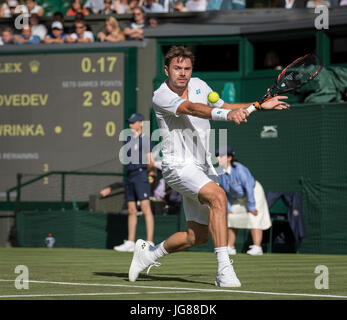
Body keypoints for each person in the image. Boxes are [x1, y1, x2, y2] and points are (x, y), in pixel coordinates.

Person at [128, 46, 289, 287]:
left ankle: (149, 254)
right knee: (218, 196)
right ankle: (224, 270)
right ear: (166, 70)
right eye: (177, 68)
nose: (182, 73)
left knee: (197, 236)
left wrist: (257, 105)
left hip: (202, 168)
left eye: (187, 68)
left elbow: (225, 106)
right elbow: (191, 109)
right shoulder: (160, 95)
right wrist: (227, 117)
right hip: (178, 166)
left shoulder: (200, 85)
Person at [110, 112, 155, 252]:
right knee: (131, 210)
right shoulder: (128, 139)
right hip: (129, 176)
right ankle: (130, 242)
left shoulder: (146, 140)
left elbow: (150, 161)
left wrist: (145, 172)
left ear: (141, 123)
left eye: (133, 122)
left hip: (141, 175)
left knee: (146, 208)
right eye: (130, 122)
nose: (130, 125)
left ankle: (149, 242)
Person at [216, 146, 272, 256]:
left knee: (253, 216)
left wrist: (252, 207)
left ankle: (257, 247)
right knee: (231, 217)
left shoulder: (240, 169)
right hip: (239, 197)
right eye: (217, 156)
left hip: (254, 192)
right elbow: (224, 192)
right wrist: (227, 208)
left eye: (221, 156)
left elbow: (248, 187)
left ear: (229, 158)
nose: (218, 158)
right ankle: (230, 247)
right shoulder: (220, 173)